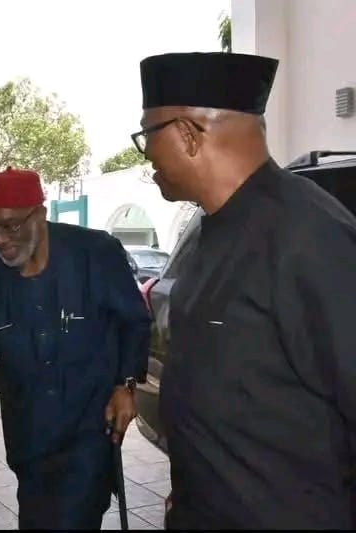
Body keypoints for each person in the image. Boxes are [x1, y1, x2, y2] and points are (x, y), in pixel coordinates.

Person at [135, 52, 356, 529]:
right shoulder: (207, 229)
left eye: (147, 134)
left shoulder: (309, 235)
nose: (146, 153)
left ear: (187, 134)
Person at [0, 167, 152, 530]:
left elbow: (134, 321)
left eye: (10, 226)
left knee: (75, 518)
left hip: (89, 429)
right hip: (30, 436)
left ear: (40, 215)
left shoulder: (96, 255)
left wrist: (125, 384)